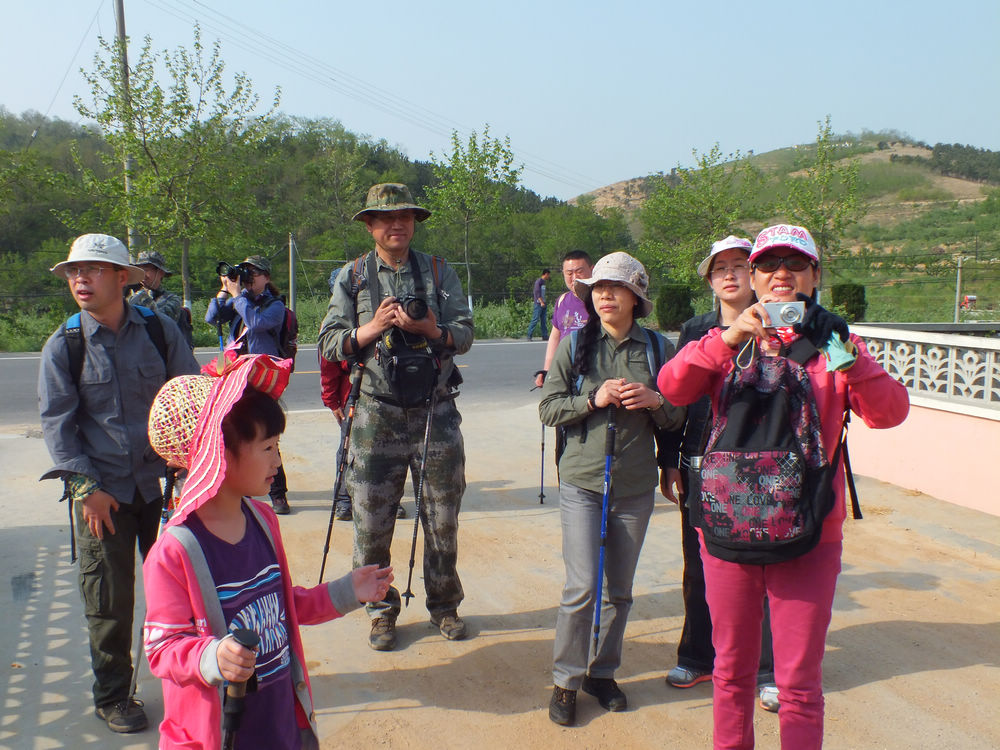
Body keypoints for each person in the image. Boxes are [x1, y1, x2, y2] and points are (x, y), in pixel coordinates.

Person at [657, 224, 909, 749]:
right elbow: (673, 387)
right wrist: (730, 339)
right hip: (729, 524)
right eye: (768, 266)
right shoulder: (725, 342)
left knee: (796, 685)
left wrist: (846, 354)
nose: (781, 276)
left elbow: (888, 413)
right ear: (752, 278)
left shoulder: (834, 345)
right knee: (730, 673)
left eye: (795, 265)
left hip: (810, 530)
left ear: (815, 276)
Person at [143, 353, 393, 749]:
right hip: (218, 735)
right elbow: (162, 648)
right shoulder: (174, 552)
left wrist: (348, 591)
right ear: (219, 452)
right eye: (268, 448)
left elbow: (281, 606)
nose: (278, 460)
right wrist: (212, 656)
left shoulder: (262, 520)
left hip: (278, 723)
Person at [37, 233, 199, 734]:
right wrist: (86, 489)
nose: (80, 279)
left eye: (93, 270)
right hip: (102, 494)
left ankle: (192, 680)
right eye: (73, 272)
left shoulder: (159, 330)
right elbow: (57, 424)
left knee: (185, 589)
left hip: (162, 488)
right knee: (108, 600)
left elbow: (187, 396)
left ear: (122, 278)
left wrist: (186, 463)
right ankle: (114, 695)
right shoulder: (65, 343)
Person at [318, 183, 474, 652]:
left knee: (443, 518)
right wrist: (372, 328)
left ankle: (444, 606)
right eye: (385, 218)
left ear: (414, 223)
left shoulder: (440, 271)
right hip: (375, 415)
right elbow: (327, 341)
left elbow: (465, 334)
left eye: (404, 217)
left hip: (436, 412)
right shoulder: (353, 277)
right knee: (371, 521)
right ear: (369, 225)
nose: (396, 225)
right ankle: (381, 611)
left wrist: (431, 330)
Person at [539, 252, 685, 726]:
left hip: (635, 483)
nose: (604, 295)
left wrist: (655, 400)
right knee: (582, 586)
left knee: (619, 590)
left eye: (615, 288)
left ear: (635, 297)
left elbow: (679, 414)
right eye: (598, 287)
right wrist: (592, 399)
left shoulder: (659, 349)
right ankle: (566, 680)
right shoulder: (576, 344)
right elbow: (549, 408)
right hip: (582, 480)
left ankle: (602, 673)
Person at [661, 236, 779, 712]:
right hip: (702, 464)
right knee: (699, 566)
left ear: (754, 274)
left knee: (767, 570)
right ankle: (697, 654)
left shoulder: (780, 325)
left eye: (739, 266)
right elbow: (675, 397)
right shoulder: (695, 329)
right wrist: (668, 456)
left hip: (766, 469)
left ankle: (768, 670)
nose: (730, 275)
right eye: (719, 269)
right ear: (710, 280)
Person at [205, 254, 292, 515]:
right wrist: (225, 290)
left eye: (254, 273)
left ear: (266, 278)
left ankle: (278, 494)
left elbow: (256, 323)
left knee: (266, 436)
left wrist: (238, 296)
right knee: (235, 433)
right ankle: (238, 487)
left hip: (260, 377)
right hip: (234, 376)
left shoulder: (275, 305)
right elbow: (212, 317)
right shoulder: (238, 300)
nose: (248, 278)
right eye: (246, 273)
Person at [534, 251, 593, 388]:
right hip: (565, 373)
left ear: (592, 270)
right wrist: (547, 370)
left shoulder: (600, 301)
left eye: (579, 271)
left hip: (591, 376)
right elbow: (555, 337)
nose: (574, 277)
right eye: (569, 273)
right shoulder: (562, 301)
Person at [526, 268, 551, 340]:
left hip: (544, 303)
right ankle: (529, 335)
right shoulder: (539, 281)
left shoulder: (543, 282)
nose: (548, 276)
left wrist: (544, 302)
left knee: (543, 320)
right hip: (538, 304)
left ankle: (545, 335)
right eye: (548, 275)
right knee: (535, 319)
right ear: (546, 274)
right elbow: (537, 292)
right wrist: (541, 302)